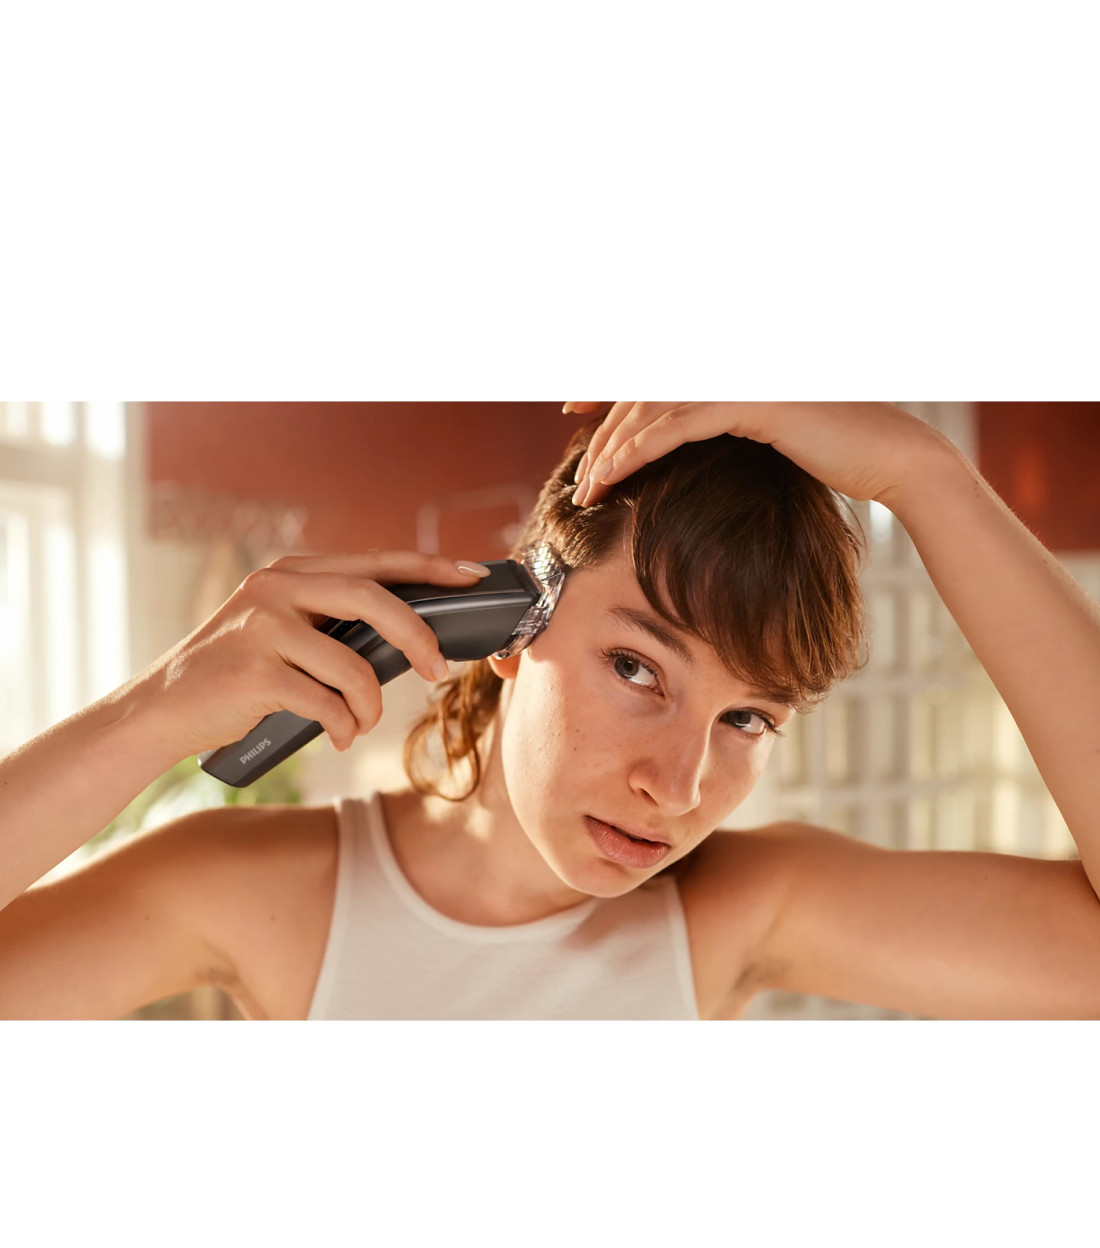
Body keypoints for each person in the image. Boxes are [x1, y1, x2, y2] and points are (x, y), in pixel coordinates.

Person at [2, 402, 1098, 1020]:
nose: (676, 789)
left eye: (747, 719)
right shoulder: (253, 890)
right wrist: (151, 715)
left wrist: (923, 473)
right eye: (636, 667)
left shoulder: (745, 907)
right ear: (504, 625)